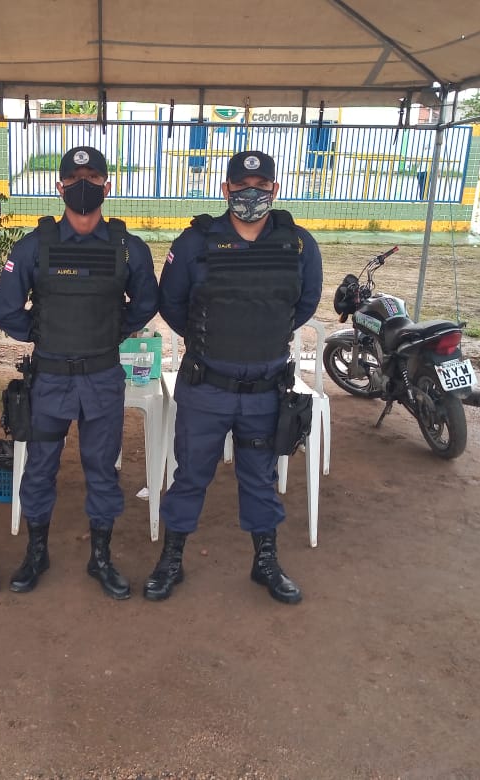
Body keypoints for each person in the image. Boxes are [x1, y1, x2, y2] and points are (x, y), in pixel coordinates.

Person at [144, 150, 323, 604]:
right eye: (242, 186)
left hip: (266, 389)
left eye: (261, 187)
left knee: (260, 478)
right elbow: (173, 304)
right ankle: (171, 560)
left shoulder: (298, 244)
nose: (251, 194)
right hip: (208, 386)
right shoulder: (195, 243)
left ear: (275, 190)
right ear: (225, 189)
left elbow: (304, 304)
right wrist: (213, 341)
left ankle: (266, 562)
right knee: (190, 475)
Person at [0, 146, 159, 600]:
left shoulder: (128, 248)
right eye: (75, 179)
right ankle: (36, 553)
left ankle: (100, 557)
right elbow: (4, 308)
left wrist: (112, 330)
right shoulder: (34, 246)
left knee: (102, 470)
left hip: (102, 377)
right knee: (39, 468)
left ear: (107, 185)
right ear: (60, 187)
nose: (84, 185)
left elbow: (146, 302)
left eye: (93, 178)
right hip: (50, 379)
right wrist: (43, 332)